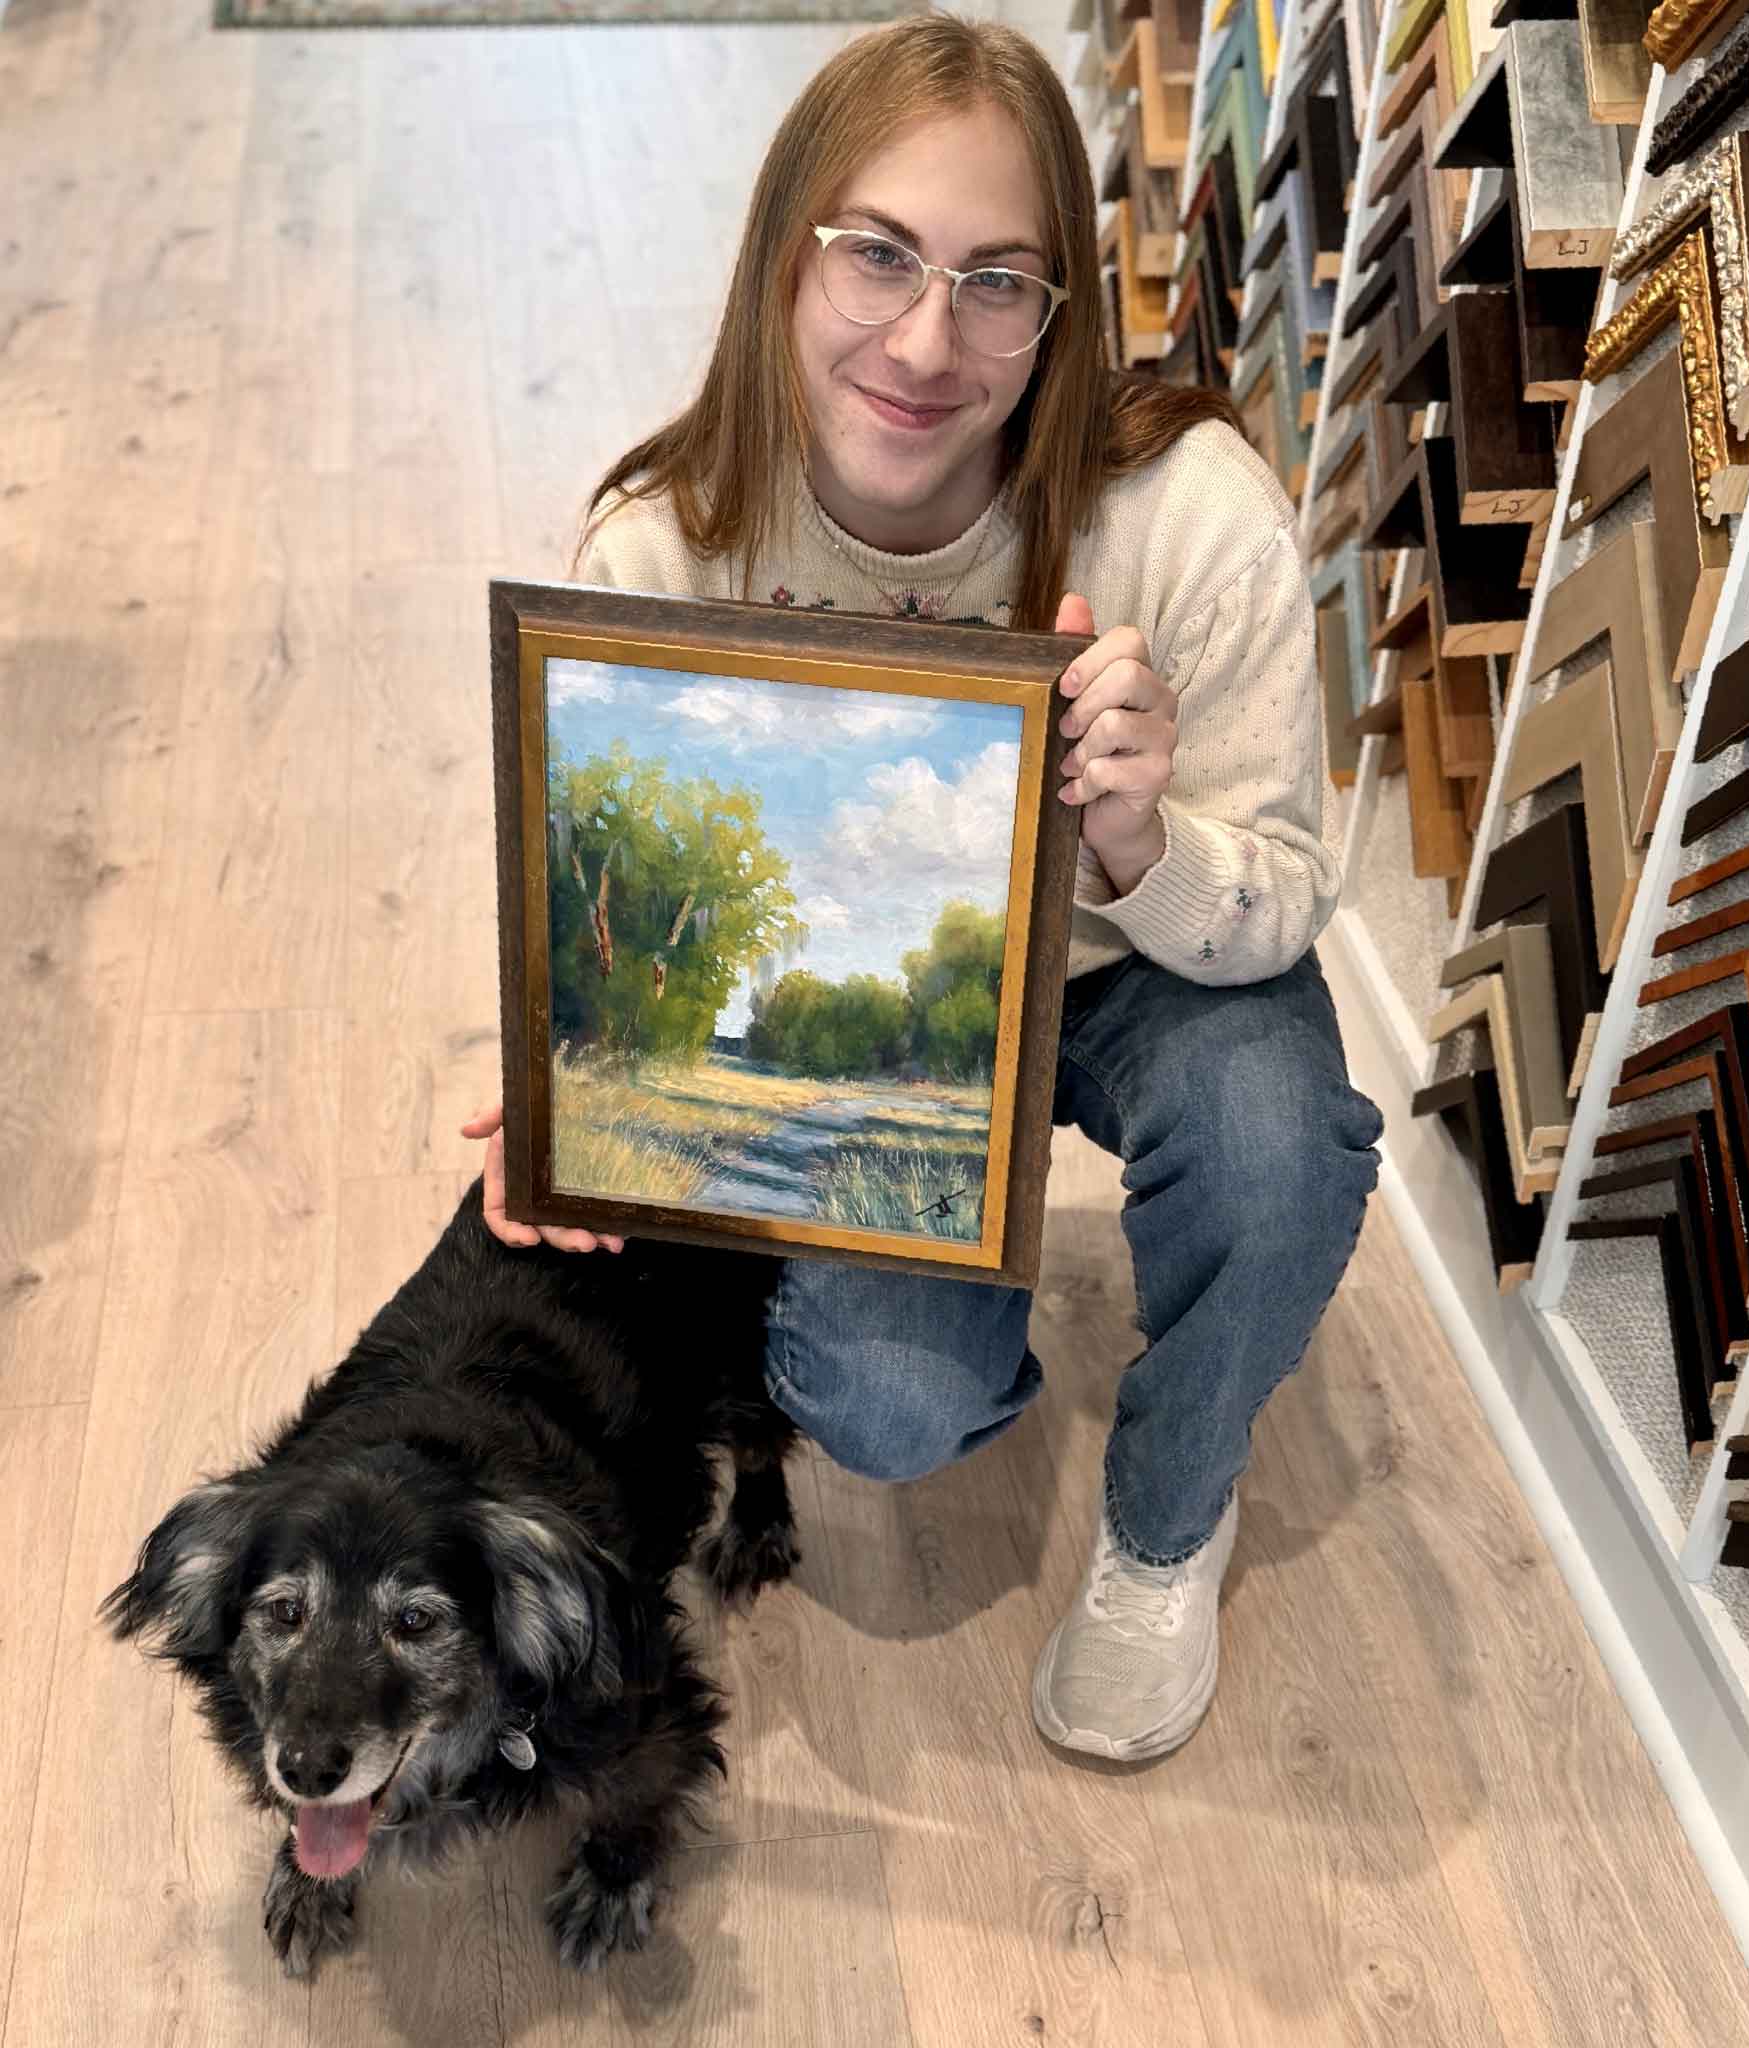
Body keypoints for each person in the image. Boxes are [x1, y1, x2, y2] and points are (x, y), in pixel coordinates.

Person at [463, 12, 1383, 1764]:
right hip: (890, 1044)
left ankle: (1171, 1522)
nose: (924, 337)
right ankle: (961, 1275)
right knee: (884, 1403)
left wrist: (1141, 836)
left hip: (1135, 962)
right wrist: (559, 1075)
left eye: (997, 281)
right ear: (782, 253)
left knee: (1279, 1150)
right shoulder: (663, 549)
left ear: (1060, 312)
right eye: (876, 254)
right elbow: (585, 871)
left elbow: (1277, 909)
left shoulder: (1188, 514)